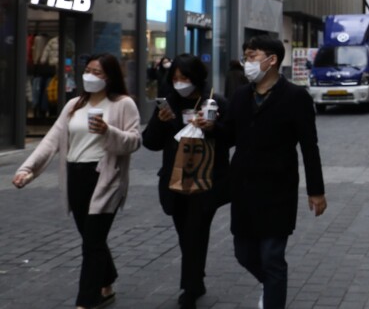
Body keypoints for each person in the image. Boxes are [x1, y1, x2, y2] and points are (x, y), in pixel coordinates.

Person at [12, 53, 141, 309]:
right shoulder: (74, 106)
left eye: (98, 72)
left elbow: (134, 141)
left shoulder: (123, 104)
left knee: (92, 242)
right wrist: (27, 170)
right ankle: (108, 279)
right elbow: (51, 140)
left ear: (111, 77)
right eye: (89, 70)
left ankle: (87, 301)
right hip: (75, 177)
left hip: (105, 178)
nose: (91, 76)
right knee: (91, 237)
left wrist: (108, 131)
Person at [221, 35, 327, 309]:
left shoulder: (295, 97)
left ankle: (273, 298)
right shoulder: (241, 96)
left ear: (272, 60)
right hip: (243, 188)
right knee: (244, 253)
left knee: (271, 256)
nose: (247, 62)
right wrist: (209, 126)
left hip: (278, 189)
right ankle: (271, 286)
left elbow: (309, 146)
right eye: (245, 56)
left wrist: (316, 190)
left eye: (253, 56)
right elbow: (228, 137)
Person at [142, 54, 230, 309]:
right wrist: (160, 122)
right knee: (187, 234)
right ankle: (196, 278)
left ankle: (189, 289)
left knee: (194, 232)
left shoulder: (215, 102)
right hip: (176, 181)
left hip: (206, 181)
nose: (180, 83)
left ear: (197, 78)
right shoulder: (168, 104)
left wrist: (213, 128)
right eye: (176, 78)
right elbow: (150, 142)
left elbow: (233, 137)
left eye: (185, 78)